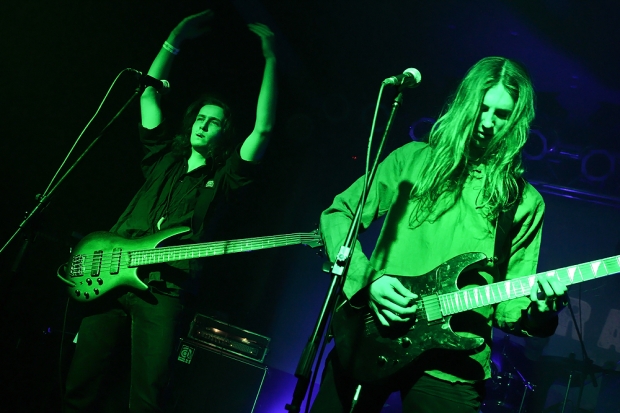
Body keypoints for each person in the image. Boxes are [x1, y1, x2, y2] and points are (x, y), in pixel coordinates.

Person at [311, 57, 568, 413]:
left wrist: (541, 312)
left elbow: (510, 309)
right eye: (482, 108)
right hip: (373, 335)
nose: (487, 123)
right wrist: (367, 281)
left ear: (516, 121)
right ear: (465, 103)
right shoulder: (412, 160)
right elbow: (339, 215)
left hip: (453, 366)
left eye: (501, 114)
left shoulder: (523, 201)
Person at [63, 9, 276, 413]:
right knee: (80, 381)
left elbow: (263, 128)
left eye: (214, 122)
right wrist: (173, 39)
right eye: (200, 117)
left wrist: (271, 58)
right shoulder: (163, 156)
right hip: (108, 274)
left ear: (224, 133)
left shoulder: (225, 178)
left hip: (163, 290)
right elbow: (148, 93)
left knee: (148, 394)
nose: (203, 124)